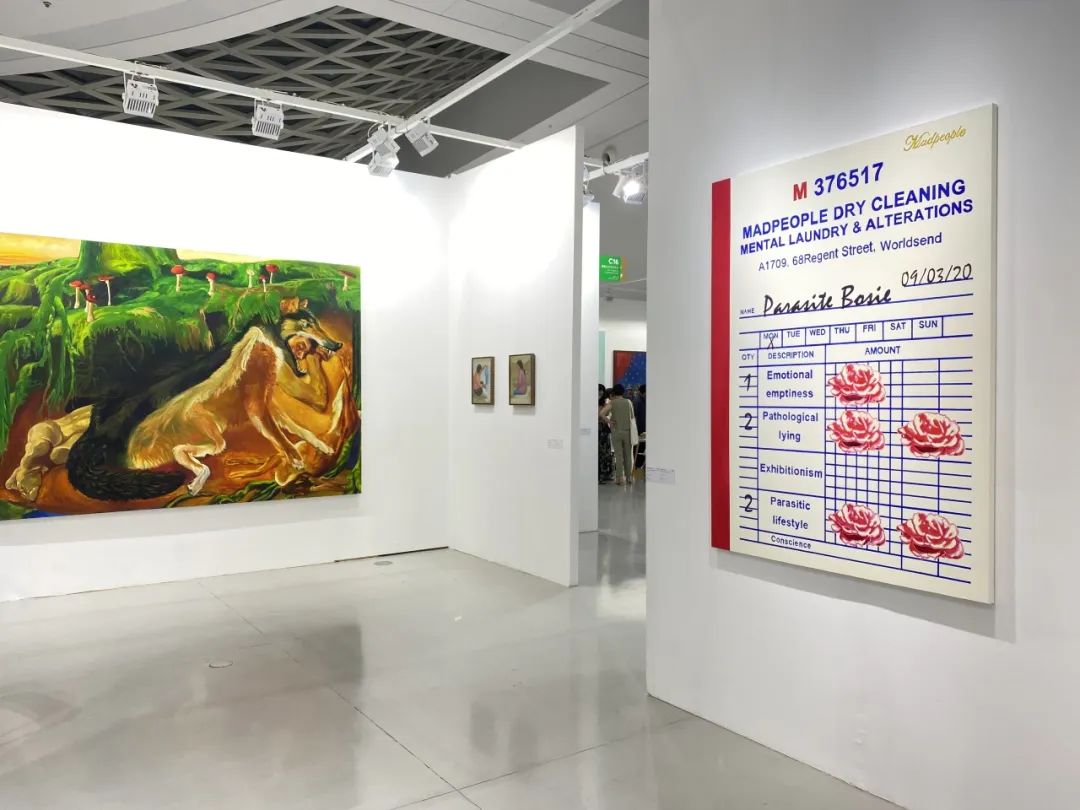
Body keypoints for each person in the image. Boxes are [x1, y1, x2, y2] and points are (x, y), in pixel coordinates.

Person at [600, 384, 635, 486]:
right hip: (627, 432)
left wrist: (609, 421)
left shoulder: (612, 403)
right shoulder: (628, 402)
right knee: (628, 455)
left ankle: (619, 479)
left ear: (614, 392)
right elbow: (632, 417)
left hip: (616, 431)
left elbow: (601, 413)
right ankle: (629, 478)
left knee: (618, 455)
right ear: (623, 392)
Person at [598, 385, 615, 483]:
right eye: (599, 391)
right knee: (600, 453)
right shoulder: (594, 402)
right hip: (598, 430)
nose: (600, 393)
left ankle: (606, 474)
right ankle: (600, 475)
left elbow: (604, 414)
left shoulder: (604, 403)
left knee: (606, 453)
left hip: (603, 430)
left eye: (602, 391)